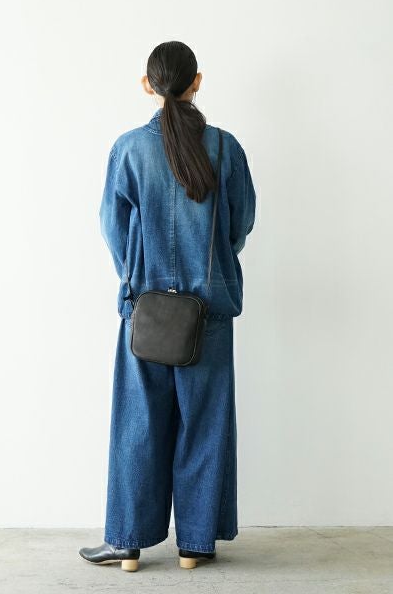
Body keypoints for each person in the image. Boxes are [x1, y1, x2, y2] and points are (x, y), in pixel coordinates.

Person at [79, 41, 256, 572]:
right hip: (210, 311)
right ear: (196, 82)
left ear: (147, 85)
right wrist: (212, 266)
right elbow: (240, 224)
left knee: (139, 424)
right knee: (204, 424)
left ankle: (127, 544)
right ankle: (195, 545)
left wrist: (138, 278)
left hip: (146, 310)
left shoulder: (129, 149)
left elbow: (112, 228)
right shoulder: (225, 148)